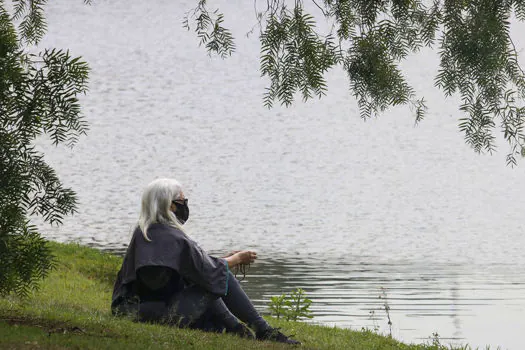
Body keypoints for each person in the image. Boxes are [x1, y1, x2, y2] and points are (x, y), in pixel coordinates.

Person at [111, 178, 300, 344]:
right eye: (182, 201)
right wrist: (236, 259)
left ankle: (240, 329)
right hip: (154, 314)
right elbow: (207, 272)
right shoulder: (171, 236)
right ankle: (261, 330)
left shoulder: (145, 231)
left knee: (214, 276)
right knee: (219, 276)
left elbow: (194, 267)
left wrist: (224, 260)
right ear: (170, 206)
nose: (185, 204)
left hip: (131, 310)